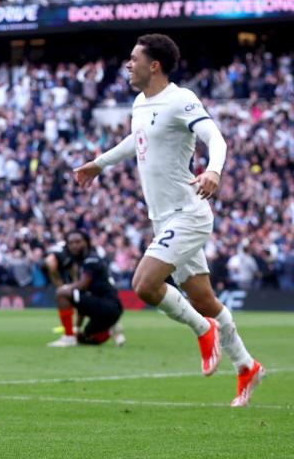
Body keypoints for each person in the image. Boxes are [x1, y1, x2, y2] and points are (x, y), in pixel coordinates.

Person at [74, 34, 265, 407]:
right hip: (162, 219)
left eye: (134, 59)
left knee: (144, 285)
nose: (128, 65)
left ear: (154, 65)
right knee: (206, 300)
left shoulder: (181, 99)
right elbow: (137, 140)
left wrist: (214, 170)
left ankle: (201, 329)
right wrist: (99, 163)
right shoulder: (140, 104)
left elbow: (216, 137)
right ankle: (246, 365)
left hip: (188, 213)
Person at [47, 231, 125, 347]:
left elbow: (83, 285)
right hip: (106, 308)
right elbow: (82, 302)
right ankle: (111, 328)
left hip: (108, 306)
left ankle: (68, 337)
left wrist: (65, 287)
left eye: (78, 242)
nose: (74, 245)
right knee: (85, 338)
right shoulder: (83, 261)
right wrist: (77, 328)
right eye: (71, 243)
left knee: (62, 294)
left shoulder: (91, 259)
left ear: (86, 243)